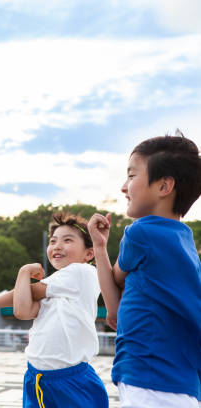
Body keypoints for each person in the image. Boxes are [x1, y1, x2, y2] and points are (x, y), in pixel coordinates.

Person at [88, 134, 201, 408]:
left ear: (164, 186)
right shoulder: (185, 242)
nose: (123, 186)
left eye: (131, 175)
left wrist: (99, 248)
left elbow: (112, 304)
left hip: (149, 379)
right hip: (181, 382)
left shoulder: (141, 233)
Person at [0, 213, 109, 408]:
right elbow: (22, 310)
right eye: (53, 241)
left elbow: (31, 290)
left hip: (70, 381)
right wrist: (24, 272)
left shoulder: (82, 273)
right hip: (37, 378)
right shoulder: (53, 291)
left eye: (67, 240)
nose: (57, 246)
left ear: (88, 254)